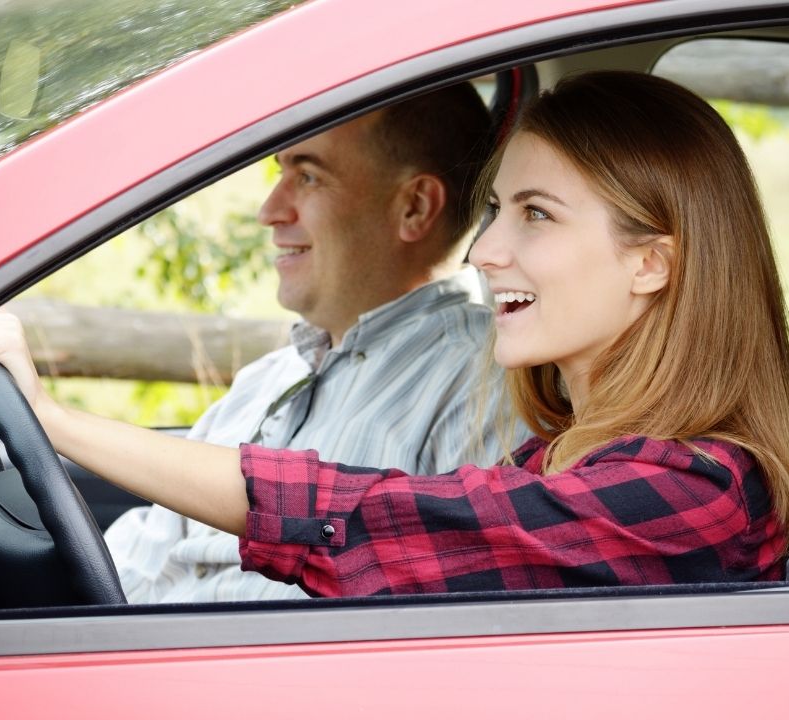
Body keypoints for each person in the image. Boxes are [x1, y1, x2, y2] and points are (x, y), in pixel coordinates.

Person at [0, 71, 789, 597]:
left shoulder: (695, 497)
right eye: (499, 210)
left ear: (652, 263)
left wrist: (57, 422)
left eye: (536, 216)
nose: (489, 250)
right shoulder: (555, 460)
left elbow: (383, 522)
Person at [102, 82, 511, 602]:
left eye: (309, 176)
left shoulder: (483, 386)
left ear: (414, 206)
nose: (270, 211)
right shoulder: (269, 378)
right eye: (281, 175)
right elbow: (139, 559)